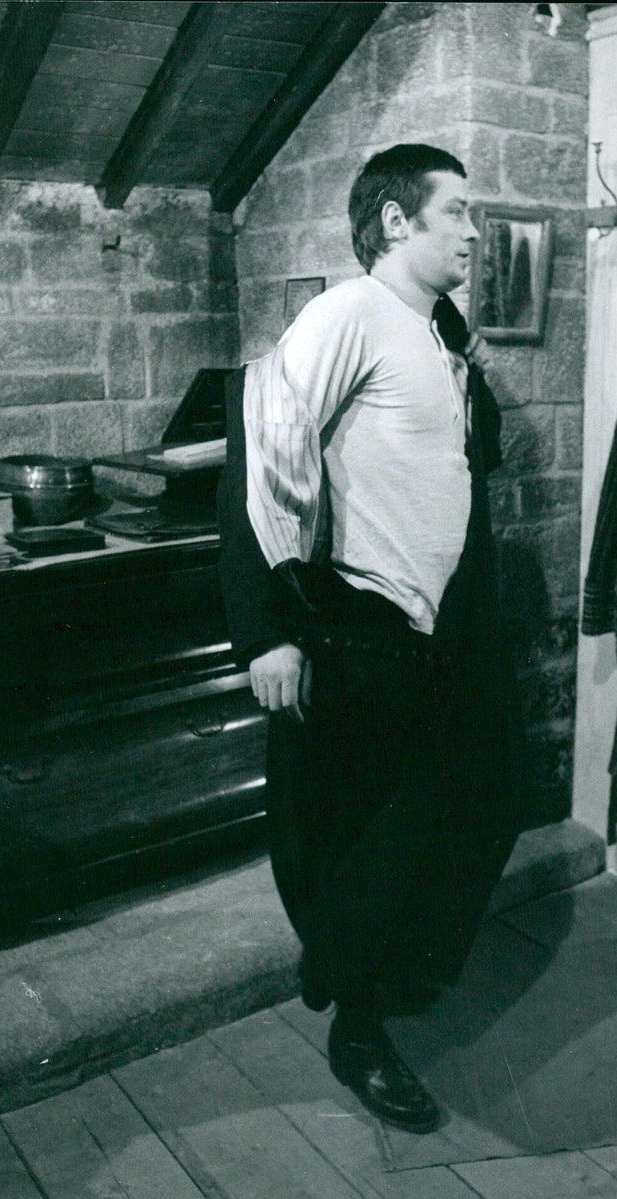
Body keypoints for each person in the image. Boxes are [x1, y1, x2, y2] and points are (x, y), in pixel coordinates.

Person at [217, 144, 527, 1134]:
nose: (476, 232)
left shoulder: (438, 331)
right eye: (459, 213)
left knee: (484, 798)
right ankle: (360, 1026)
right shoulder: (348, 314)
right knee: (368, 838)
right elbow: (261, 452)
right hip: (364, 632)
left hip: (448, 638)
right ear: (397, 222)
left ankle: (381, 980)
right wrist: (265, 631)